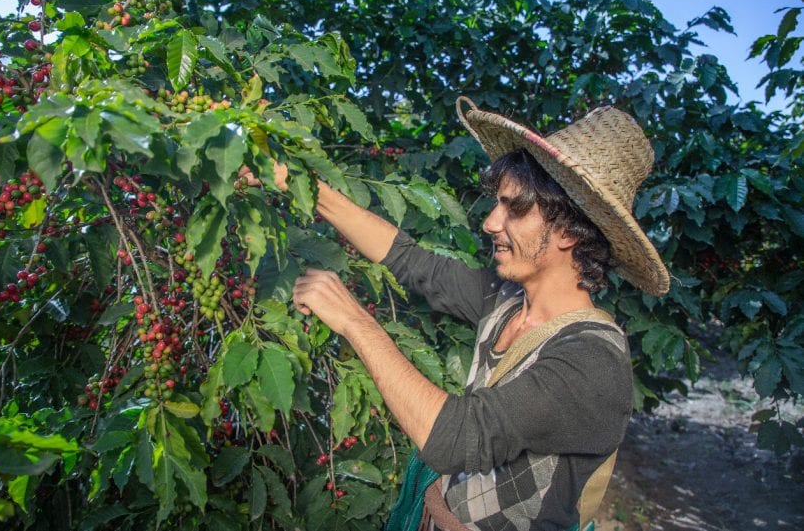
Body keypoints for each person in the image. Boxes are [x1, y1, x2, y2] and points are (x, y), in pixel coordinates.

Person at [246, 97, 670, 530]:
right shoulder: (505, 301)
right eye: (496, 204)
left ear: (568, 231)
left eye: (514, 208)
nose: (490, 223)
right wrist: (294, 181)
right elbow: (411, 261)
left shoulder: (592, 362)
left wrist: (354, 320)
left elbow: (454, 438)